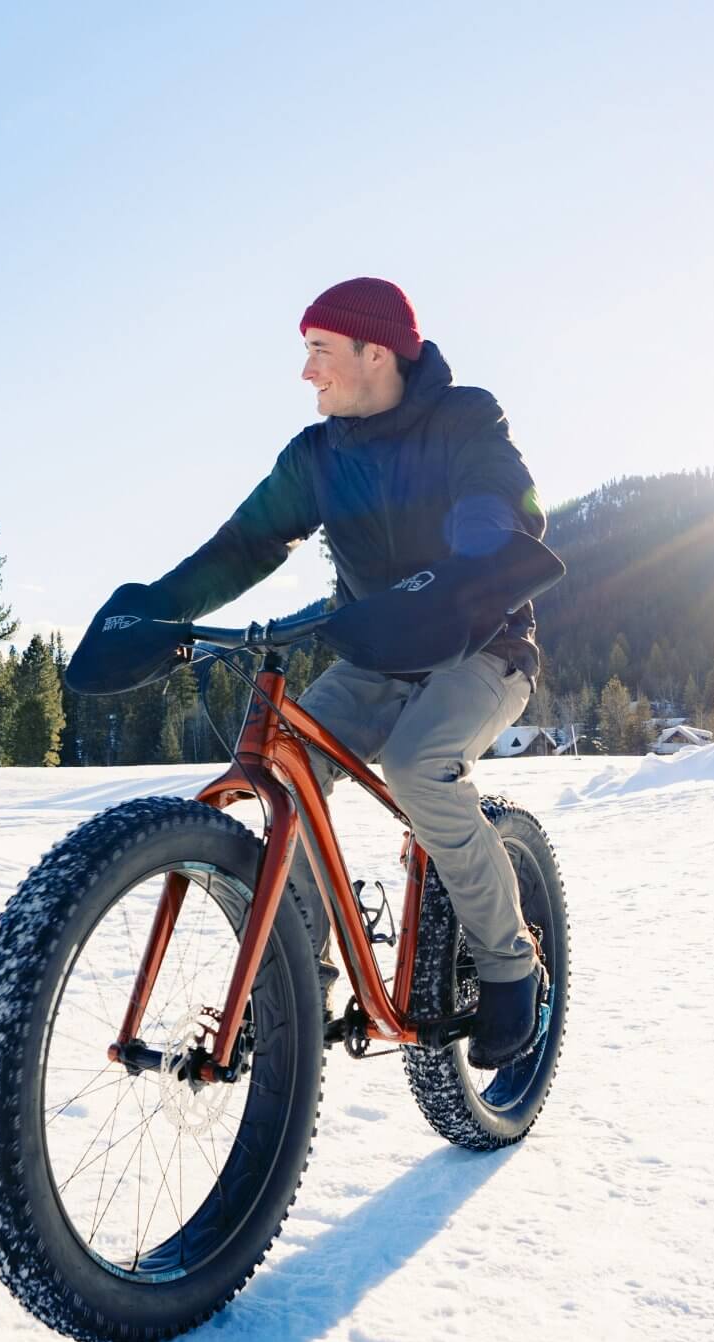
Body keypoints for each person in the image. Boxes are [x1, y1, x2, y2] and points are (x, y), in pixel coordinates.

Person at [125, 276, 553, 1068]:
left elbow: (501, 493)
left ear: (374, 351)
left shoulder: (466, 418)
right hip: (376, 655)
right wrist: (160, 607)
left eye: (319, 350)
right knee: (282, 770)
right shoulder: (318, 456)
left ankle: (510, 964)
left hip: (482, 644)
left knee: (418, 765)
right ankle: (302, 965)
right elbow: (243, 544)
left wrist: (481, 537)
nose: (306, 372)